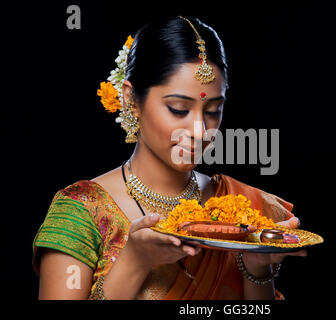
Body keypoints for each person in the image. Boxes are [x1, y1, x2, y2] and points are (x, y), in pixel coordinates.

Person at [32, 16, 306, 300]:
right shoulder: (80, 214)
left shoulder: (243, 209)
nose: (200, 131)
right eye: (178, 109)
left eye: (212, 111)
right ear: (131, 100)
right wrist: (134, 263)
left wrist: (256, 268)